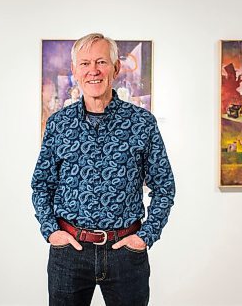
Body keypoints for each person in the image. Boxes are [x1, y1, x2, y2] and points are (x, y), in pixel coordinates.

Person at [31, 33, 175, 306]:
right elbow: (42, 184)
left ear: (116, 68)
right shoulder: (59, 124)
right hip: (69, 252)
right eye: (84, 63)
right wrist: (51, 231)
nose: (93, 71)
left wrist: (146, 236)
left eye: (101, 62)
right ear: (74, 71)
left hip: (126, 253)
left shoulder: (142, 123)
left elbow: (164, 186)